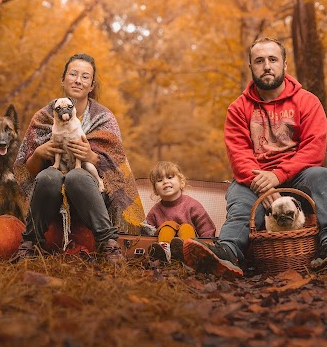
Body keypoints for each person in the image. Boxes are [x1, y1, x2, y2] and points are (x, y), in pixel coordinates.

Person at [181, 37, 327, 278]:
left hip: (298, 176)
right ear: (251, 67)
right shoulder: (238, 108)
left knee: (326, 177)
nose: (267, 66)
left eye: (273, 59)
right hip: (255, 178)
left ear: (285, 64)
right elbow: (238, 154)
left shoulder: (307, 102)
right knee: (239, 200)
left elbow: (314, 149)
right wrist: (263, 185)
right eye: (259, 61)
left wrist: (278, 175)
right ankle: (228, 253)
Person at [12, 53, 145, 264]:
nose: (78, 80)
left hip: (90, 200)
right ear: (63, 79)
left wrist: (92, 156)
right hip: (49, 201)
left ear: (91, 85)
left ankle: (108, 243)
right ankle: (30, 244)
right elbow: (27, 170)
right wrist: (38, 153)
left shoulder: (104, 118)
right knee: (48, 176)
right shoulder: (44, 117)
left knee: (77, 176)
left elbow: (116, 167)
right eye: (73, 74)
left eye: (85, 77)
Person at [143, 161, 216, 263]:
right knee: (167, 227)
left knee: (186, 227)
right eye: (159, 180)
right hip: (166, 254)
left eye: (170, 177)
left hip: (191, 251)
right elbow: (147, 232)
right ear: (155, 190)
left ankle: (187, 253)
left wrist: (210, 248)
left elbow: (207, 229)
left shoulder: (192, 205)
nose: (165, 182)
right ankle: (164, 253)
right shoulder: (155, 211)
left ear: (182, 183)